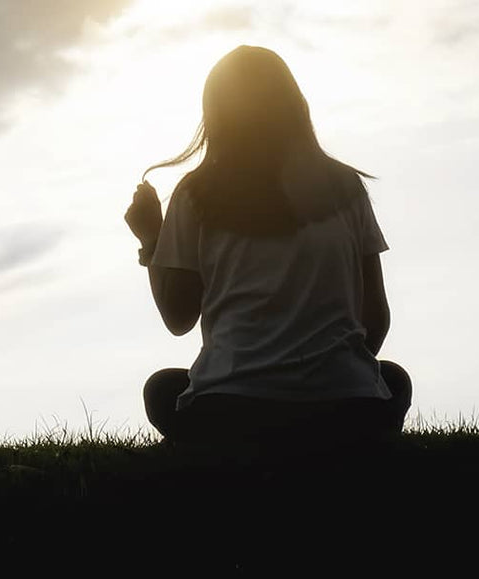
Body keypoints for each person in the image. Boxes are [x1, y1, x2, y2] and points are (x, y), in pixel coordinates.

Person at [124, 45, 411, 448]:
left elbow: (178, 317)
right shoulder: (345, 188)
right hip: (347, 409)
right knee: (393, 378)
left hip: (233, 412)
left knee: (161, 389)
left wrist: (151, 238)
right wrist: (331, 373)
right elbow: (376, 319)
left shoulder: (197, 195)